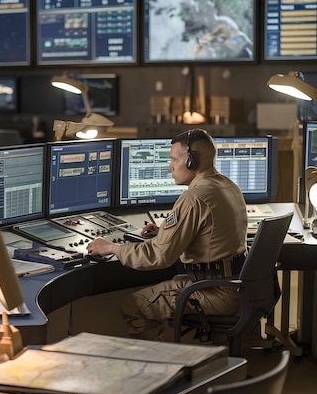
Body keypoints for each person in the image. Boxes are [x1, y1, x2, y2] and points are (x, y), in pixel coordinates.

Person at [86, 128, 248, 340]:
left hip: (214, 292)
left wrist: (111, 248)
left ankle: (156, 365)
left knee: (134, 304)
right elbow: (210, 232)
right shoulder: (227, 185)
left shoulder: (194, 198)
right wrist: (164, 231)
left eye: (173, 159)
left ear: (191, 161)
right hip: (235, 286)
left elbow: (159, 256)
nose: (169, 165)